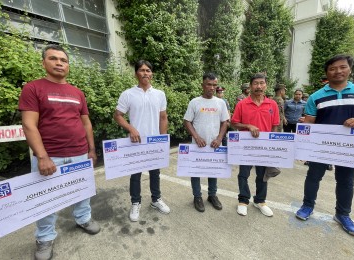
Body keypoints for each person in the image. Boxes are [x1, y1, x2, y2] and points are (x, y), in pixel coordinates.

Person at [19, 44, 101, 260]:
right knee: (46, 199)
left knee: (82, 190)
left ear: (68, 65)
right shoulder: (33, 88)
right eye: (53, 59)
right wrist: (42, 156)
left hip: (79, 153)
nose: (59, 63)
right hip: (50, 156)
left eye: (63, 60)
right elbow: (29, 125)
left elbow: (86, 124)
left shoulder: (77, 93)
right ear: (43, 62)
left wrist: (91, 150)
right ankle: (45, 237)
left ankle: (83, 218)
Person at [295, 54, 354, 236]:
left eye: (342, 67)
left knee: (346, 181)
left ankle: (343, 214)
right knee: (313, 177)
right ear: (327, 72)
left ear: (349, 69)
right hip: (321, 146)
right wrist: (302, 134)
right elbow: (310, 122)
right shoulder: (317, 96)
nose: (338, 71)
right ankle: (307, 205)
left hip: (348, 148)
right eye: (332, 68)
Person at [114, 60, 170, 222]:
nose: (145, 73)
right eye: (142, 70)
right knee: (135, 174)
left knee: (155, 173)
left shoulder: (159, 94)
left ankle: (156, 199)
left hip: (153, 142)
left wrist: (162, 140)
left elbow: (163, 117)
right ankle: (135, 202)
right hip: (135, 143)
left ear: (151, 74)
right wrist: (131, 129)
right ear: (136, 73)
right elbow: (117, 115)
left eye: (148, 70)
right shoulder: (128, 94)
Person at [231, 73, 280, 217]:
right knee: (243, 174)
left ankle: (260, 201)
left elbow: (275, 125)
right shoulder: (242, 104)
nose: (259, 86)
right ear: (251, 86)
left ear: (266, 85)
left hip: (264, 147)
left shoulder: (272, 104)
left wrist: (272, 143)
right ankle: (243, 201)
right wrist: (248, 125)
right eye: (255, 83)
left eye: (261, 83)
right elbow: (233, 123)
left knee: (263, 175)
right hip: (246, 147)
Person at [183, 73, 230, 212]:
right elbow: (187, 121)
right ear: (202, 85)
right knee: (196, 171)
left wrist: (219, 138)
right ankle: (197, 196)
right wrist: (196, 137)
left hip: (214, 144)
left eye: (214, 85)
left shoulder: (220, 103)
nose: (212, 87)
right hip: (198, 145)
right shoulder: (195, 102)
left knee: (213, 171)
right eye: (209, 84)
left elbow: (225, 123)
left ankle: (212, 195)